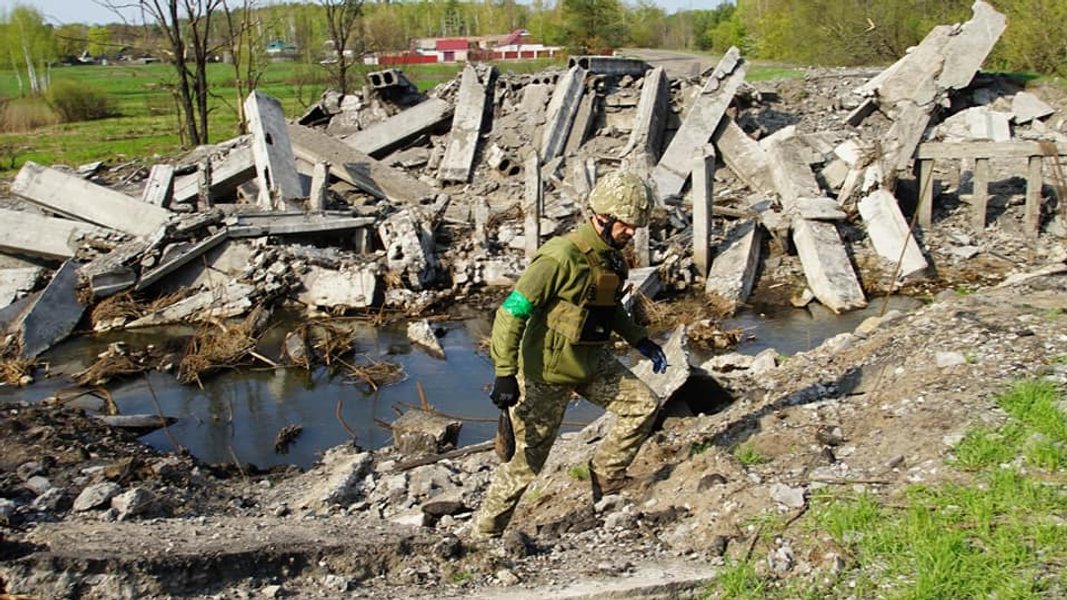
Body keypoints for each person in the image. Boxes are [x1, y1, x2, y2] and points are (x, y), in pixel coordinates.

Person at [471, 171, 668, 540]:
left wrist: (641, 340)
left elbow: (611, 309)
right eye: (627, 225)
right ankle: (484, 534)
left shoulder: (612, 260)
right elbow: (511, 313)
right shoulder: (558, 259)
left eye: (635, 227)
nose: (632, 233)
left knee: (643, 404)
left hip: (591, 361)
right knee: (525, 466)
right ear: (603, 217)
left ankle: (607, 477)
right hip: (545, 374)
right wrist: (504, 373)